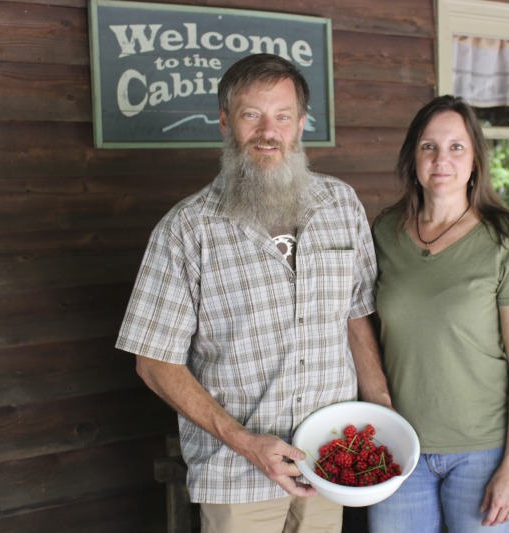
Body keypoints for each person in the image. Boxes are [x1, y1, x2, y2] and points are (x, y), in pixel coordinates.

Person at [115, 53, 391, 533]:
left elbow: (356, 313)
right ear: (225, 122)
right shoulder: (187, 229)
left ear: (301, 123)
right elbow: (153, 362)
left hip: (330, 461)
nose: (269, 131)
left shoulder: (340, 205)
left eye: (282, 116)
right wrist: (245, 442)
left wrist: (381, 408)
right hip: (237, 473)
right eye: (251, 115)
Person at [368, 95, 509, 532]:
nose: (441, 159)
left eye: (456, 147)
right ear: (413, 156)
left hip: (484, 450)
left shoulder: (506, 237)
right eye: (429, 146)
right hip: (400, 448)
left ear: (475, 159)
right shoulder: (384, 232)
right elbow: (360, 325)